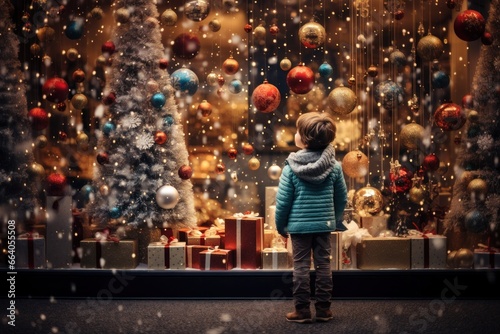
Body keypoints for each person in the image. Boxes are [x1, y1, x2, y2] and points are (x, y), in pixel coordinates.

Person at [275, 111, 348, 323]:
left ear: (304, 138)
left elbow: (283, 202)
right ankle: (324, 309)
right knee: (324, 265)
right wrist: (333, 220)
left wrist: (281, 226)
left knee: (300, 267)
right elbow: (341, 198)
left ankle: (302, 310)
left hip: (298, 228)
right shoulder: (334, 167)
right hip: (324, 225)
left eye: (298, 131)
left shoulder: (291, 167)